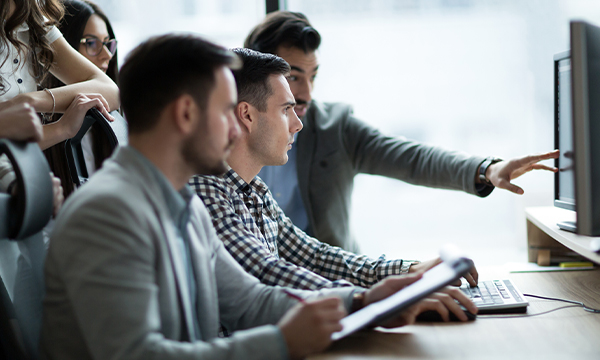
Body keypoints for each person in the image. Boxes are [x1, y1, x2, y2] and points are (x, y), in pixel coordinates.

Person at [41, 34, 477, 360]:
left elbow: (250, 300)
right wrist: (281, 342)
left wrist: (363, 302)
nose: (235, 131)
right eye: (225, 113)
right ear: (187, 114)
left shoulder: (180, 205)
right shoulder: (108, 214)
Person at [244, 11, 559, 252]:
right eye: (294, 77)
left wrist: (487, 169)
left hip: (335, 284)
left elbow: (412, 158)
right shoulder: (226, 143)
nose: (308, 94)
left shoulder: (334, 127)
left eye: (313, 76)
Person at [190, 48, 476, 291]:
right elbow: (266, 273)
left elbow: (313, 257)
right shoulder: (205, 191)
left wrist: (410, 270)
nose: (297, 124)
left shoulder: (254, 190)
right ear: (247, 115)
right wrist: (381, 296)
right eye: (285, 110)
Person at [0, 0, 118, 193]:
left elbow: (110, 91)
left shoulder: (34, 20)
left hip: (15, 174)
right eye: (91, 43)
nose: (106, 55)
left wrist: (27, 101)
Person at [42, 0, 120, 198]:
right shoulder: (35, 127)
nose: (107, 55)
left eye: (108, 43)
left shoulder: (116, 123)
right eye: (91, 43)